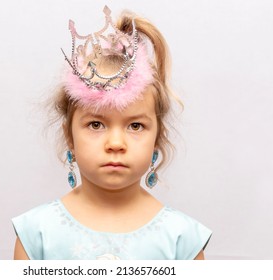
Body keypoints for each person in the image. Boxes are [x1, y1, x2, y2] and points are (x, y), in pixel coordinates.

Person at [12, 6, 212, 260]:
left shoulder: (182, 240)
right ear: (69, 137)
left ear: (157, 139)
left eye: (135, 126)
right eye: (96, 125)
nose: (116, 143)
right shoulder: (37, 234)